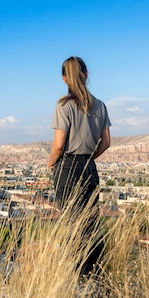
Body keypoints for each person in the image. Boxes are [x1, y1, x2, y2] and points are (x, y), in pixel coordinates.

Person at [47, 56, 111, 275]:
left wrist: (51, 164)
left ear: (64, 79)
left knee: (72, 223)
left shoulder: (64, 106)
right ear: (86, 75)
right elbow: (106, 142)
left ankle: (77, 274)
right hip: (89, 168)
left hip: (68, 168)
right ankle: (95, 272)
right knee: (91, 221)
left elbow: (58, 144)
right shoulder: (100, 106)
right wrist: (90, 157)